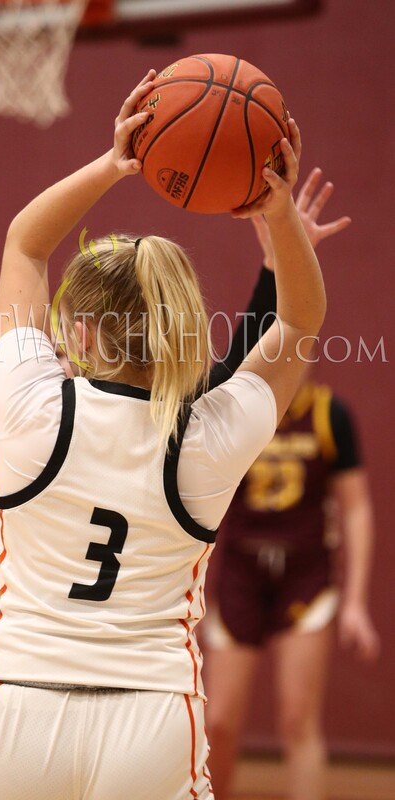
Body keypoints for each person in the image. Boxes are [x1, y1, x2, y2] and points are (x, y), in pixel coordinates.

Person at [0, 70, 326, 800]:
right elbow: (300, 319)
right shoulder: (210, 437)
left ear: (77, 334)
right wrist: (278, 215)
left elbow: (24, 245)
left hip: (20, 704)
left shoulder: (27, 407)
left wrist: (119, 160)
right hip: (152, 719)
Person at [202, 198, 379, 800]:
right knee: (219, 723)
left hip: (307, 573)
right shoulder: (238, 407)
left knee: (298, 725)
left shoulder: (331, 415)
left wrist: (354, 601)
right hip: (242, 571)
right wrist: (274, 262)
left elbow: (356, 508)